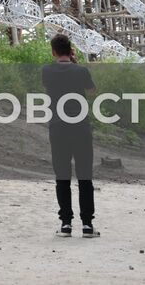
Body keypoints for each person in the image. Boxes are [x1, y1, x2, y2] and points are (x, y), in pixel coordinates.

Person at [42, 34, 99, 237]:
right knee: (85, 176)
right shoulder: (81, 71)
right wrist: (75, 63)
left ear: (54, 52)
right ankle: (87, 225)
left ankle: (66, 224)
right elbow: (92, 91)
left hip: (58, 127)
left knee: (62, 176)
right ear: (70, 50)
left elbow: (48, 86)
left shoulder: (47, 71)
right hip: (81, 127)